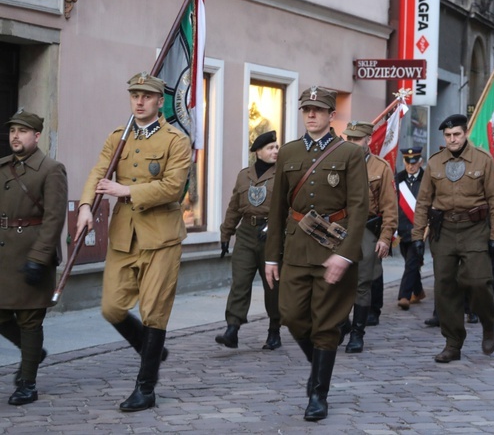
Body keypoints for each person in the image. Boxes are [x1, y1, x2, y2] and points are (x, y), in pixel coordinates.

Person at [76, 72, 191, 412]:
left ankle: (146, 388)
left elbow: (173, 187)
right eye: (134, 95)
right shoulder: (118, 137)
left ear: (159, 101)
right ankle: (149, 346)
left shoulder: (175, 140)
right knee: (111, 307)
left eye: (146, 96)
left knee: (154, 311)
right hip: (124, 234)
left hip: (161, 237)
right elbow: (99, 173)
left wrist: (126, 190)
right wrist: (85, 207)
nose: (139, 101)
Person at [264, 86, 368, 422]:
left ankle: (318, 393)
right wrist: (271, 256)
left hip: (332, 250)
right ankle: (319, 369)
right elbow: (277, 207)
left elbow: (358, 208)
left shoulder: (349, 154)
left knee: (326, 325)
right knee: (290, 315)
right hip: (295, 249)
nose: (311, 115)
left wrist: (346, 254)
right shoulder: (289, 152)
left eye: (318, 110)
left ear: (331, 115)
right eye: (306, 109)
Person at [411, 114, 494, 363]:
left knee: (478, 282)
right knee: (444, 287)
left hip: (475, 229)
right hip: (444, 231)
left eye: (457, 134)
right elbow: (423, 202)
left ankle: (488, 324)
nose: (452, 139)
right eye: (448, 135)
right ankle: (453, 343)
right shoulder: (435, 163)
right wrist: (417, 235)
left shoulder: (483, 161)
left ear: (465, 134)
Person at [0, 109, 67, 406]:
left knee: (29, 321)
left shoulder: (51, 169)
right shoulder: (2, 167)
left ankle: (27, 383)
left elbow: (54, 218)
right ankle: (34, 354)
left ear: (37, 136)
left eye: (23, 131)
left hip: (31, 254)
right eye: (13, 130)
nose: (16, 135)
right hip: (3, 256)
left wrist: (39, 258)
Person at [216, 130, 282, 350]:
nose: (275, 151)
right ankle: (232, 329)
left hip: (271, 235)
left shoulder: (283, 174)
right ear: (258, 152)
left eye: (276, 147)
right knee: (240, 282)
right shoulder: (244, 175)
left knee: (272, 286)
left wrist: (272, 226)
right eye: (270, 148)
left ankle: (274, 330)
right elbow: (234, 206)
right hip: (245, 232)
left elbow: (289, 208)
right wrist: (226, 234)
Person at [341, 121, 397, 353]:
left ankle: (357, 333)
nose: (353, 143)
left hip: (366, 231)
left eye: (357, 139)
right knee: (336, 283)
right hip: (340, 230)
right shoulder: (336, 164)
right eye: (350, 139)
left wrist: (385, 238)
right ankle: (341, 324)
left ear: (368, 140)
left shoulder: (380, 168)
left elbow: (389, 208)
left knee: (362, 283)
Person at [394, 147, 426, 310]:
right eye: (408, 162)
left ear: (420, 162)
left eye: (414, 163)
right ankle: (418, 291)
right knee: (410, 262)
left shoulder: (426, 179)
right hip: (402, 229)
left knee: (412, 263)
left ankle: (404, 296)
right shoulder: (398, 179)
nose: (411, 166)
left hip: (418, 229)